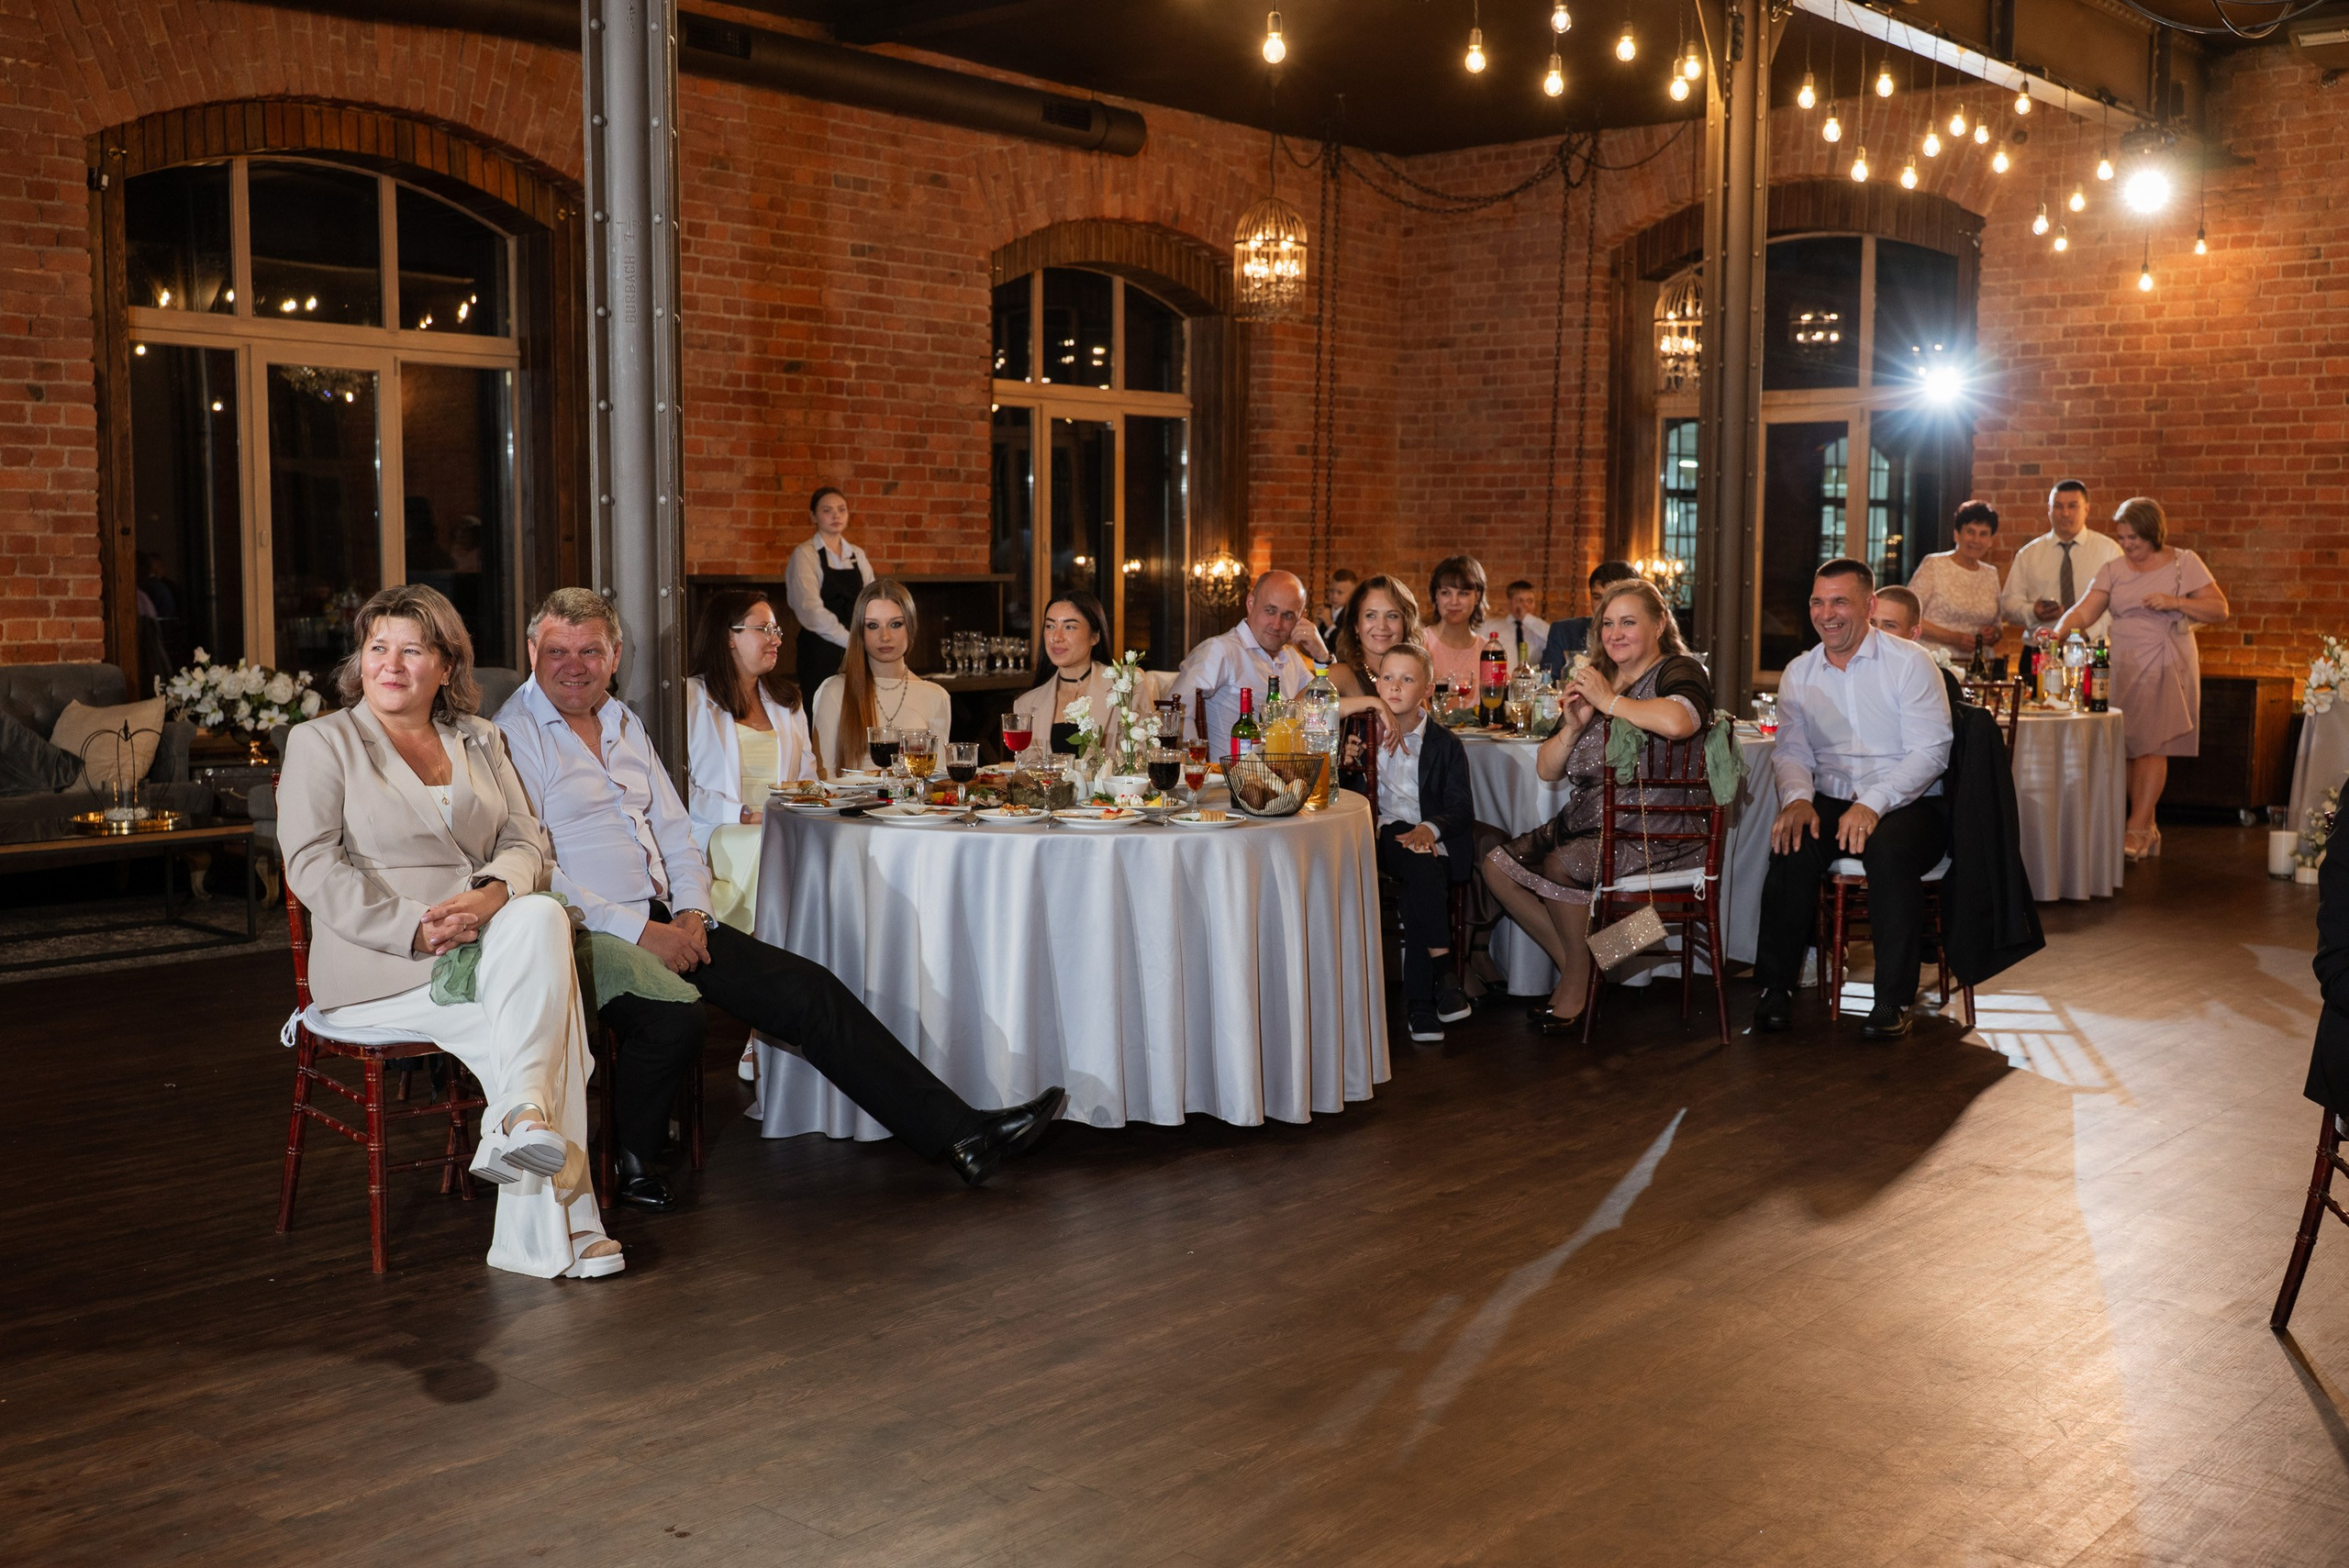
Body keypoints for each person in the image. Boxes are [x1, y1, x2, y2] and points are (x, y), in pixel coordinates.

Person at [498, 588, 1067, 1211]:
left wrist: (689, 910)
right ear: (532, 652)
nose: (574, 664)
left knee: (810, 992)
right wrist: (643, 932)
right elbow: (536, 869)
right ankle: (629, 1157)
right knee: (673, 1016)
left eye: (590, 650)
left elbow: (675, 830)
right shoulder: (512, 735)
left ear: (615, 655)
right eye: (558, 650)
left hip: (671, 916)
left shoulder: (623, 721)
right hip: (585, 932)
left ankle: (962, 1135)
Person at [276, 584, 621, 1280]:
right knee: (548, 1006)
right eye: (378, 648)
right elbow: (312, 865)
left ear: (445, 664)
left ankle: (521, 1123)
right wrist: (415, 929)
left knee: (534, 918)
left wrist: (492, 895)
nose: (391, 664)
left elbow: (526, 837)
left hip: (491, 943)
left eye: (412, 649)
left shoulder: (481, 737)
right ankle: (572, 1214)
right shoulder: (323, 743)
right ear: (360, 660)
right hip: (384, 962)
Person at [1482, 578, 1712, 1034]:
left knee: (1560, 866)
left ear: (1659, 624)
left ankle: (1576, 982)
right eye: (1608, 623)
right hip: (1591, 821)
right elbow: (1547, 769)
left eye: (1629, 622)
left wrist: (1611, 701)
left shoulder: (1678, 670)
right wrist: (1571, 726)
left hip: (1656, 829)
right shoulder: (1598, 676)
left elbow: (1680, 721)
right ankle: (1586, 968)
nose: (1616, 633)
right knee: (1496, 867)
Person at [1751, 559, 1954, 1041]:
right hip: (1834, 797)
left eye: (1840, 601)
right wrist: (1798, 798)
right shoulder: (1800, 672)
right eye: (1818, 602)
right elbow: (1793, 750)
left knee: (1888, 852)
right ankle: (1775, 989)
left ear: (1870, 605)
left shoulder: (1910, 663)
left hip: (1913, 802)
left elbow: (1932, 751)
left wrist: (1875, 802)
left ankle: (1892, 999)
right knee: (1790, 842)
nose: (1827, 613)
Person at [2053, 497, 2229, 861]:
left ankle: (2135, 827)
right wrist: (2055, 634)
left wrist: (2175, 601)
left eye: (2134, 537)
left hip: (2166, 659)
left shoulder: (2185, 562)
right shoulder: (2114, 569)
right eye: (2123, 537)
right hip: (2125, 662)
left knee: (2152, 745)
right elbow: (2084, 610)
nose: (2128, 544)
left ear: (2154, 534)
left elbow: (2219, 609)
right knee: (2129, 746)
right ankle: (2147, 827)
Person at [1346, 643, 1474, 1042]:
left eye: (1407, 679)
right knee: (1421, 869)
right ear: (1376, 685)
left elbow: (1461, 808)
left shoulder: (1446, 744)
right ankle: (1444, 982)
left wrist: (1429, 829)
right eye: (1387, 678)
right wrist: (1347, 768)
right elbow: (1345, 798)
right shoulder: (1359, 731)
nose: (1395, 687)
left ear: (1428, 689)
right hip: (1381, 833)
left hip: (1429, 839)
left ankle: (1422, 1006)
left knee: (1423, 874)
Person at [685, 588, 816, 943]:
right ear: (729, 636)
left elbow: (807, 777)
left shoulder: (787, 700)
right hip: (718, 827)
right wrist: (743, 814)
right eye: (764, 630)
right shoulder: (692, 697)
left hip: (779, 823)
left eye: (777, 631)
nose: (775, 640)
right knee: (767, 842)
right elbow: (678, 790)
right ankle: (764, 946)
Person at [1168, 569, 1326, 758]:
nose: (1277, 624)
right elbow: (1175, 710)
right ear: (1250, 603)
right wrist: (1196, 764)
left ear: (1302, 617)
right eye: (1270, 610)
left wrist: (1322, 655)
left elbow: (1325, 702)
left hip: (1284, 778)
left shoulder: (1291, 657)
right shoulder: (1221, 650)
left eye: (1288, 616)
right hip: (1229, 781)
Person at [809, 579, 952, 776]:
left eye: (895, 624)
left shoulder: (936, 696)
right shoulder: (834, 691)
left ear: (910, 627)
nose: (884, 636)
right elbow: (821, 775)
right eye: (872, 626)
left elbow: (939, 777)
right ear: (860, 631)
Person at [1009, 591, 1157, 756]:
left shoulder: (1127, 684)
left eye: (1069, 627)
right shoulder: (1026, 704)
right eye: (1050, 626)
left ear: (1095, 636)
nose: (1056, 637)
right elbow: (1025, 774)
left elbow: (1144, 758)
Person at [2000, 480, 2121, 640]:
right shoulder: (2029, 554)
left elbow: (2121, 604)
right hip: (2040, 648)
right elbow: (2008, 606)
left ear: (2086, 509)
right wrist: (2032, 612)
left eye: (2072, 506)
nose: (2065, 513)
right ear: (2049, 510)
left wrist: (2089, 632)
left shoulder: (2109, 551)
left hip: (2093, 647)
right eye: (2058, 506)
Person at [785, 485, 876, 696]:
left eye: (841, 509)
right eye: (827, 510)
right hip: (820, 651)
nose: (836, 515)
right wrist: (850, 640)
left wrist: (863, 640)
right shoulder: (805, 554)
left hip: (857, 647)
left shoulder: (857, 554)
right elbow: (811, 610)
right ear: (813, 516)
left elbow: (872, 601)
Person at [1907, 500, 2006, 656]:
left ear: (1990, 540)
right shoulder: (1934, 565)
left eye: (1983, 534)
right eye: (1970, 532)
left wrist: (1994, 633)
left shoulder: (1991, 574)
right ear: (1956, 534)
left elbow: (1997, 625)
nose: (1976, 540)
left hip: (1978, 665)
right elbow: (1909, 616)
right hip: (1935, 661)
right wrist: (1953, 638)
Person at [1425, 555, 1514, 693]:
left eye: (1463, 593)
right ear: (1435, 596)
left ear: (1477, 597)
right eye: (1446, 593)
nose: (1454, 602)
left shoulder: (1489, 652)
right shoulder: (1419, 644)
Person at [1541, 561, 1642, 677]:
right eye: (1597, 597)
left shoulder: (1636, 635)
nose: (1603, 604)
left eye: (1611, 597)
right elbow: (1548, 682)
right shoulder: (1564, 631)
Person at [1502, 579, 1550, 666]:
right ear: (1510, 602)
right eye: (1520, 601)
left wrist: (1526, 618)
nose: (1525, 605)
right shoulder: (1499, 627)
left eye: (1530, 601)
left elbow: (1552, 636)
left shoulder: (1537, 630)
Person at [1318, 569, 1358, 648]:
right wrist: (1317, 623)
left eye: (1340, 593)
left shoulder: (1351, 615)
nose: (1334, 596)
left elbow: (1346, 643)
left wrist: (1329, 623)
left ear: (1351, 595)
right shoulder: (1326, 610)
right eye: (1332, 591)